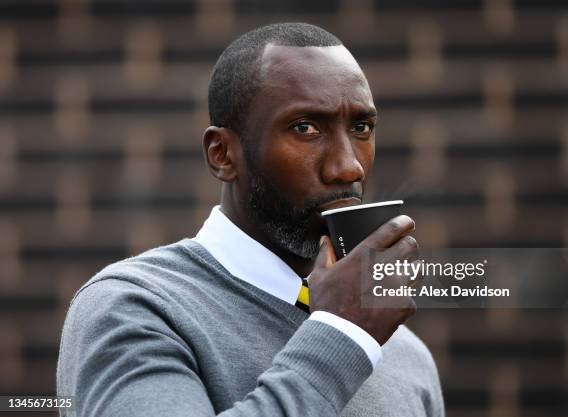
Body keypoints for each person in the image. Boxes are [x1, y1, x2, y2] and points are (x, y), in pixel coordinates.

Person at [57, 22, 444, 417]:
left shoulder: (404, 354)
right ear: (222, 154)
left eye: (361, 127)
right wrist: (340, 336)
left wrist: (349, 330)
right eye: (306, 128)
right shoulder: (134, 309)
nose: (348, 167)